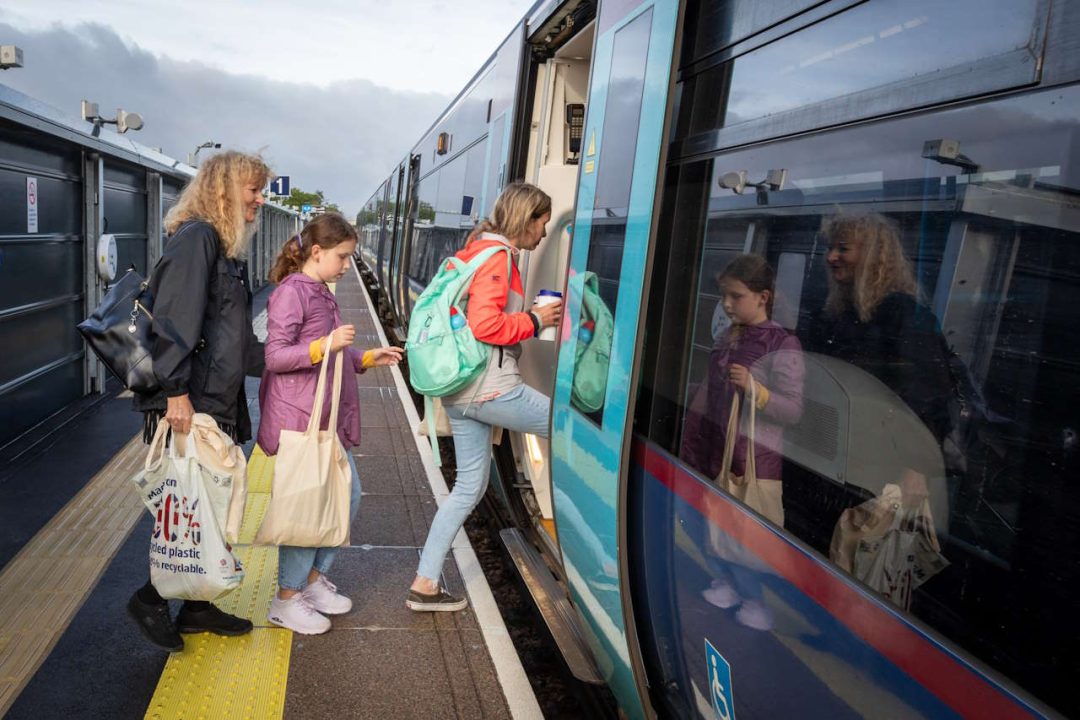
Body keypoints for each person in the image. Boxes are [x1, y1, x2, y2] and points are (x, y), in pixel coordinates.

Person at [128, 150, 273, 652]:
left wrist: (302, 358)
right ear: (224, 190)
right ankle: (151, 599)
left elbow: (234, 337)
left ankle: (195, 606)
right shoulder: (199, 241)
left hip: (217, 398)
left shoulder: (225, 249)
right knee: (189, 506)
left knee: (208, 503)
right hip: (193, 400)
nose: (260, 199)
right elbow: (173, 323)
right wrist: (176, 394)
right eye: (253, 190)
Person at [406, 182, 561, 611]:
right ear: (525, 219)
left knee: (468, 488)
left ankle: (425, 583)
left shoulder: (474, 250)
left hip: (461, 391)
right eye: (542, 223)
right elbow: (485, 326)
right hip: (490, 388)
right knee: (573, 428)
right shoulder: (497, 258)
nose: (543, 234)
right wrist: (533, 318)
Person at [258, 212, 401, 634]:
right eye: (341, 257)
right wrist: (324, 344)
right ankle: (286, 598)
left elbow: (335, 351)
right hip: (300, 418)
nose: (346, 266)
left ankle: (312, 581)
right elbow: (275, 357)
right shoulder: (292, 294)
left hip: (323, 417)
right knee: (311, 505)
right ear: (316, 252)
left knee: (345, 496)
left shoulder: (320, 289)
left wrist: (368, 358)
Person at [680, 254, 803, 630]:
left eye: (736, 296)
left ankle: (754, 599)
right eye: (724, 297)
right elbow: (706, 391)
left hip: (751, 458)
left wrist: (756, 391)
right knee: (710, 526)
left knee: (744, 537)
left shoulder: (783, 344)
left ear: (763, 296)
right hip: (713, 448)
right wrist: (690, 438)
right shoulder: (727, 337)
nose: (727, 305)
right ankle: (725, 582)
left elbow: (793, 411)